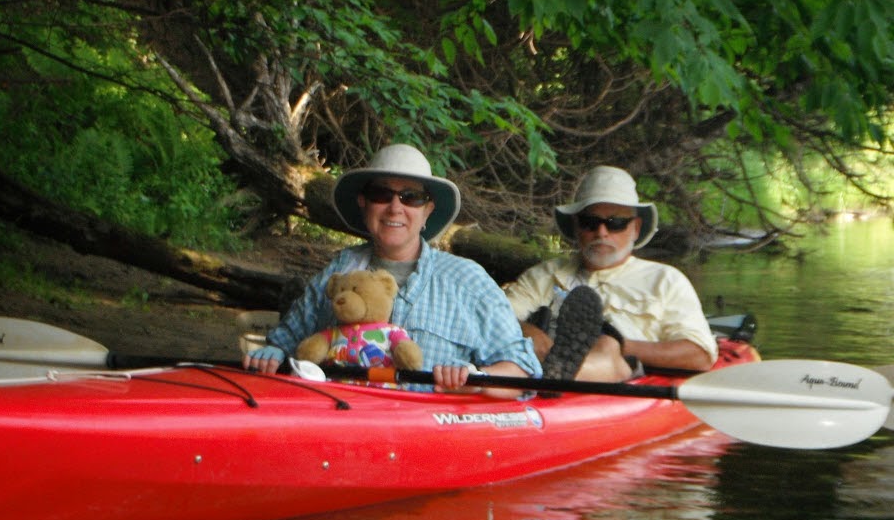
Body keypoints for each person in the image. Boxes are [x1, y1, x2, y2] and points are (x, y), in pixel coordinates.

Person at [243, 144, 543, 397]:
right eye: (381, 195)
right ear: (364, 204)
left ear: (428, 210)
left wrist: (475, 379)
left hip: (428, 443)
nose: (395, 207)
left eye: (411, 197)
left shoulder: (468, 280)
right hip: (341, 431)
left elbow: (524, 372)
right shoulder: (338, 270)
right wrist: (275, 353)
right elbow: (285, 342)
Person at [506, 165, 718, 382]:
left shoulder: (666, 280)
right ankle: (558, 368)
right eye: (590, 223)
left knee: (607, 346)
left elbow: (699, 355)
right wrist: (530, 333)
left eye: (616, 223)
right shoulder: (543, 275)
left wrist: (621, 345)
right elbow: (496, 318)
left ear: (636, 228)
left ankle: (571, 370)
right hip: (536, 366)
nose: (601, 233)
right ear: (577, 226)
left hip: (619, 378)